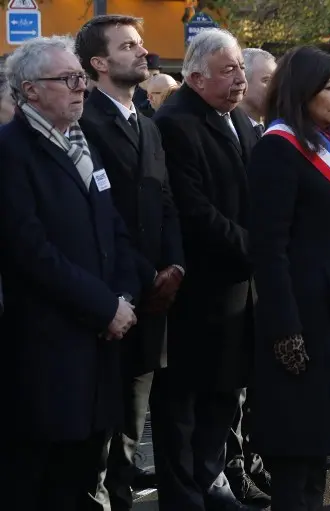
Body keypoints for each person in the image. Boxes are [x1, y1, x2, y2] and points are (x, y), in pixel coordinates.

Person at [0, 35, 140, 510]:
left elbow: (114, 229)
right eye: (67, 79)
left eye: (81, 77)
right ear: (29, 91)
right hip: (47, 350)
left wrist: (124, 298)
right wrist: (105, 307)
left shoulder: (82, 144)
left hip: (99, 345)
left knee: (82, 478)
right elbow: (31, 251)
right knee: (38, 482)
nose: (81, 88)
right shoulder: (11, 152)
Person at [246, 45, 330, 511]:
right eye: (329, 88)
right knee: (297, 458)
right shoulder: (277, 148)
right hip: (305, 321)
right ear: (300, 90)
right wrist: (286, 331)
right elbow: (269, 249)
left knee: (319, 450)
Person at [75, 15, 186, 510]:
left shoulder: (146, 124)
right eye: (128, 46)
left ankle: (120, 493)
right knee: (104, 424)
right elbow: (103, 219)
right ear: (99, 63)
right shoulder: (84, 124)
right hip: (113, 295)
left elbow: (166, 202)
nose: (143, 53)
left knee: (135, 417)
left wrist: (176, 266)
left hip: (156, 295)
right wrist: (145, 276)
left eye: (140, 44)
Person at [151, 29, 263, 511]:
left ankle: (211, 478)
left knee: (223, 394)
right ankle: (187, 494)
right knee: (184, 402)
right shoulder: (177, 123)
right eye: (229, 70)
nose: (240, 79)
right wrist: (255, 249)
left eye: (241, 68)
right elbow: (195, 210)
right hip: (201, 290)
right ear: (195, 78)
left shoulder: (236, 116)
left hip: (238, 286)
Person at [223, 46, 275, 504]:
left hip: (259, 280)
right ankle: (234, 468)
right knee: (232, 395)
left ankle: (253, 461)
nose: (267, 88)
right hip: (233, 277)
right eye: (265, 80)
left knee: (252, 390)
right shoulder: (235, 127)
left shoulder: (257, 129)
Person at [241, 48, 275, 136]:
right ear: (243, 82)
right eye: (266, 80)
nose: (275, 87)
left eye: (277, 81)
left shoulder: (273, 131)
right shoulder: (230, 132)